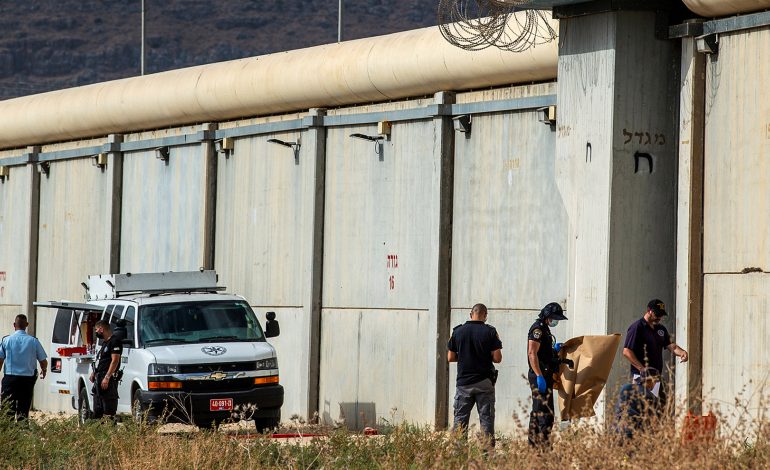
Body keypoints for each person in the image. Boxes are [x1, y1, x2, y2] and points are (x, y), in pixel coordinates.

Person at [447, 303, 503, 446]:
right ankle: (487, 454)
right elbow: (497, 358)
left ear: (471, 314)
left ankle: (458, 454)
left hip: (463, 384)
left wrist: (465, 357)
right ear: (485, 316)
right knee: (486, 420)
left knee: (460, 420)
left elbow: (450, 357)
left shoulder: (458, 331)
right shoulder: (490, 332)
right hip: (484, 383)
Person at [527, 302, 568, 447]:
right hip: (540, 376)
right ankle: (542, 449)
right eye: (555, 318)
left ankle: (535, 447)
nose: (556, 321)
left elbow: (543, 353)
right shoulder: (537, 329)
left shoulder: (545, 329)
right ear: (547, 316)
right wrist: (539, 375)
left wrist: (554, 350)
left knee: (541, 412)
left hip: (546, 375)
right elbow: (532, 353)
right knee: (543, 414)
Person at [622, 299, 688, 384]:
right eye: (657, 314)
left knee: (657, 393)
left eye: (661, 315)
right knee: (642, 393)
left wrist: (682, 352)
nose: (659, 318)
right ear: (649, 311)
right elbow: (627, 351)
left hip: (656, 376)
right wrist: (642, 369)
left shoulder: (661, 329)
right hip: (641, 376)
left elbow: (671, 346)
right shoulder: (637, 327)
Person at [0, 314, 48, 421]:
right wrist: (44, 370)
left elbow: (0, 360)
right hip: (27, 381)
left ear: (14, 325)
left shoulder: (6, 340)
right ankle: (22, 429)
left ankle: (9, 430)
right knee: (23, 410)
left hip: (10, 379)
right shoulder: (34, 341)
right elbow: (43, 361)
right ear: (27, 325)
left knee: (7, 410)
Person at [614, 367, 662, 439]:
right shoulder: (651, 397)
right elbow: (653, 422)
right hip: (635, 434)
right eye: (655, 381)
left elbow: (618, 409)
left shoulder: (625, 388)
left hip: (618, 430)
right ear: (652, 381)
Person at [90, 320, 123, 420]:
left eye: (96, 330)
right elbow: (103, 361)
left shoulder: (115, 341)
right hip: (99, 379)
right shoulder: (105, 343)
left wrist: (107, 377)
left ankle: (110, 428)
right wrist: (94, 372)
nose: (96, 332)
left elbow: (115, 360)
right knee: (97, 411)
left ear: (101, 329)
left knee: (108, 411)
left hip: (108, 380)